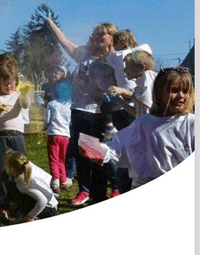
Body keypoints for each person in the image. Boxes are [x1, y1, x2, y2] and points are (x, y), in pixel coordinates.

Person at [45, 17, 120, 206]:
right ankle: (85, 190)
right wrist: (51, 22)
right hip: (79, 111)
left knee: (103, 153)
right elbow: (64, 41)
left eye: (98, 35)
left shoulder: (114, 59)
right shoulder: (82, 54)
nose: (92, 38)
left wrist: (102, 92)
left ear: (111, 38)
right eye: (93, 35)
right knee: (83, 152)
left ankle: (114, 187)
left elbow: (119, 85)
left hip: (102, 112)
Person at [79, 66, 193, 188]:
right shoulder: (143, 123)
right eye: (174, 90)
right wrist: (99, 151)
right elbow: (118, 147)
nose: (181, 96)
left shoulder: (191, 123)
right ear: (159, 92)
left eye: (186, 91)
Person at [105, 51, 158, 195]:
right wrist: (119, 101)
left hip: (148, 139)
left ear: (141, 66)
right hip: (144, 136)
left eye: (127, 66)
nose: (124, 70)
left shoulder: (147, 78)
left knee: (127, 176)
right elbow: (138, 114)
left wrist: (124, 91)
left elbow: (148, 107)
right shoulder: (142, 82)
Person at [0, 65, 30, 217]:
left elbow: (25, 105)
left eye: (11, 83)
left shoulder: (18, 94)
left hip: (17, 136)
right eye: (5, 84)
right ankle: (2, 205)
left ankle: (18, 203)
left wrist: (25, 94)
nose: (9, 86)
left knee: (19, 169)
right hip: (0, 136)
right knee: (1, 171)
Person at [4, 151, 59, 222]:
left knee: (22, 197)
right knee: (21, 196)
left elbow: (43, 201)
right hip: (52, 203)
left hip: (48, 209)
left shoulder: (24, 183)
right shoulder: (28, 167)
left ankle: (35, 217)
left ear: (13, 170)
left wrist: (30, 216)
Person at [44, 79, 73, 193]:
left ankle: (55, 181)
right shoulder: (69, 105)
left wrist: (45, 126)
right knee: (62, 158)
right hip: (65, 135)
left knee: (53, 158)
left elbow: (47, 121)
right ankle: (63, 180)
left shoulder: (51, 104)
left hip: (54, 133)